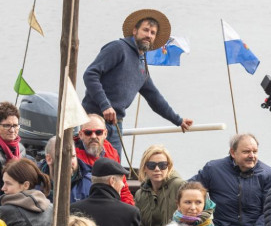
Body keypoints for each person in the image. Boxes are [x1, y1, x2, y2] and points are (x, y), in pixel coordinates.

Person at [82, 9, 193, 152]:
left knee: (114, 171)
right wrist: (105, 105)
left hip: (116, 125)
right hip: (93, 121)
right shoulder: (118, 48)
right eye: (145, 30)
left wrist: (178, 120)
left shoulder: (142, 65)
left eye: (153, 33)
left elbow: (155, 98)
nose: (148, 35)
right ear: (135, 31)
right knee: (87, 167)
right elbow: (90, 74)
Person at [190, 133, 271, 226]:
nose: (252, 156)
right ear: (232, 152)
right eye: (246, 152)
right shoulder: (213, 169)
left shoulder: (268, 174)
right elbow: (190, 189)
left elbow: (269, 210)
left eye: (254, 152)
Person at [74, 115, 135, 205]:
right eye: (88, 132)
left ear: (105, 134)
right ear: (81, 135)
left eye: (98, 132)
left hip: (110, 206)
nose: (94, 136)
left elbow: (123, 188)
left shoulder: (112, 153)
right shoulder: (72, 156)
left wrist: (131, 213)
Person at [134, 144, 184, 226]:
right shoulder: (140, 195)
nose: (157, 169)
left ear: (169, 167)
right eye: (152, 165)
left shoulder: (180, 187)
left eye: (162, 165)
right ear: (145, 168)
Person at [42, 135, 92, 203]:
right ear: (49, 159)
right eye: (64, 157)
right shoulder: (34, 182)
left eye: (73, 156)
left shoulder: (90, 184)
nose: (70, 162)